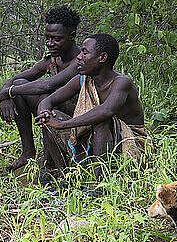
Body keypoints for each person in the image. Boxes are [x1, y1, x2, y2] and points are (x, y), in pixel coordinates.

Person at [35, 33, 146, 179]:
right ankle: (63, 174)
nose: (79, 57)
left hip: (128, 142)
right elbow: (48, 100)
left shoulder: (121, 82)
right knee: (49, 119)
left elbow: (106, 111)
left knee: (100, 120)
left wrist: (63, 124)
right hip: (96, 137)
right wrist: (45, 114)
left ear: (102, 58)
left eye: (85, 53)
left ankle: (98, 183)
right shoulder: (83, 79)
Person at [0, 6, 81, 171]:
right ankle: (28, 152)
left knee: (43, 100)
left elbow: (48, 84)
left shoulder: (80, 62)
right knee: (21, 86)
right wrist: (5, 95)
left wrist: (7, 92)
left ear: (72, 36)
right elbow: (14, 79)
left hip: (78, 120)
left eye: (56, 39)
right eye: (47, 38)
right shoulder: (53, 59)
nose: (50, 43)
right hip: (54, 111)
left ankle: (54, 167)